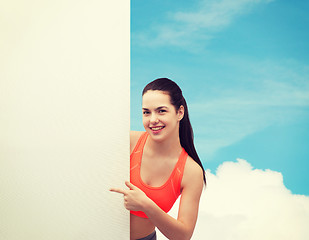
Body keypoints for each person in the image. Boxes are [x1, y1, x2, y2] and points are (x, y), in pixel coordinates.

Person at [110, 78, 206, 240]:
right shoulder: (128, 142)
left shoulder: (191, 171)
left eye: (161, 111)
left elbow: (183, 235)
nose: (153, 120)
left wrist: (146, 205)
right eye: (146, 112)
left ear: (179, 112)